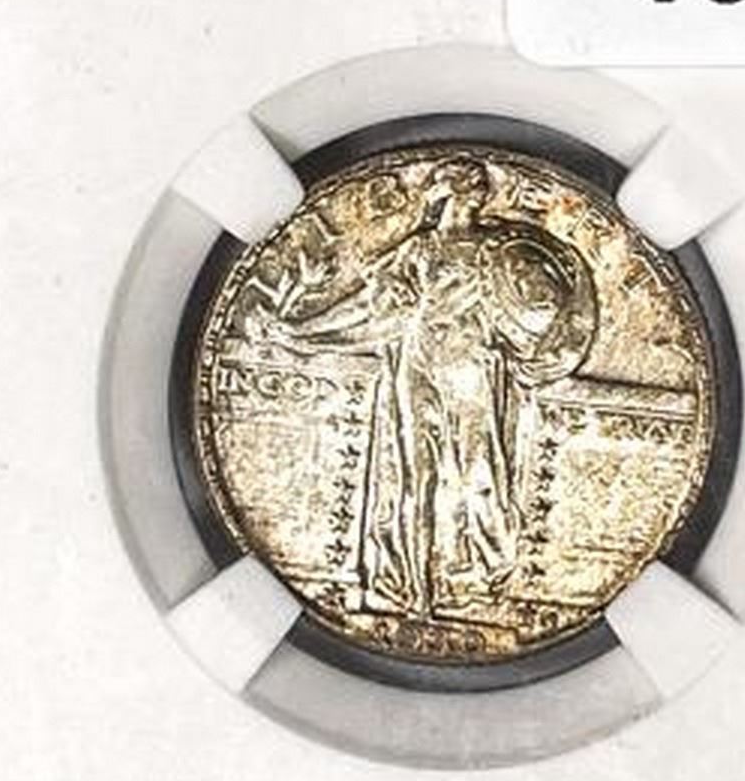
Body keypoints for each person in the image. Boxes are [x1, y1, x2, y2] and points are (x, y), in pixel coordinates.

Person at [252, 159, 597, 622]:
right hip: (420, 366)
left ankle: (473, 580)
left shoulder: (498, 252)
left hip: (469, 371)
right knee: (415, 474)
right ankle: (415, 589)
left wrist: (299, 331)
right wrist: (301, 331)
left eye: (443, 188)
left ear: (455, 194)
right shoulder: (419, 250)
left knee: (474, 474)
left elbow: (542, 313)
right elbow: (366, 307)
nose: (439, 197)